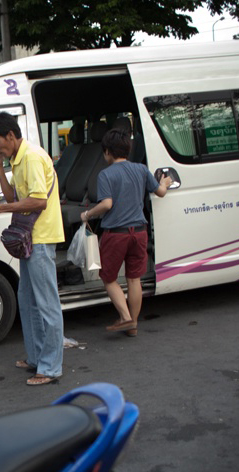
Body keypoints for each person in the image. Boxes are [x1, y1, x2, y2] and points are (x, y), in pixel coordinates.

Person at [0, 111, 64, 386]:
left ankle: (50, 367)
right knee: (28, 301)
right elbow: (13, 196)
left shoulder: (33, 157)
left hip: (41, 238)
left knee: (46, 304)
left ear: (11, 136)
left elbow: (37, 202)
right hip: (29, 238)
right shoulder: (17, 160)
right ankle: (36, 358)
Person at [80, 128, 172, 338]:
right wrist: (165, 182)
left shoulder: (106, 174)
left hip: (116, 234)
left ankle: (125, 316)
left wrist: (87, 214)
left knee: (109, 278)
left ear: (107, 153)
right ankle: (133, 325)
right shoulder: (141, 169)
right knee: (134, 279)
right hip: (139, 232)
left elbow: (107, 204)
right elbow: (160, 192)